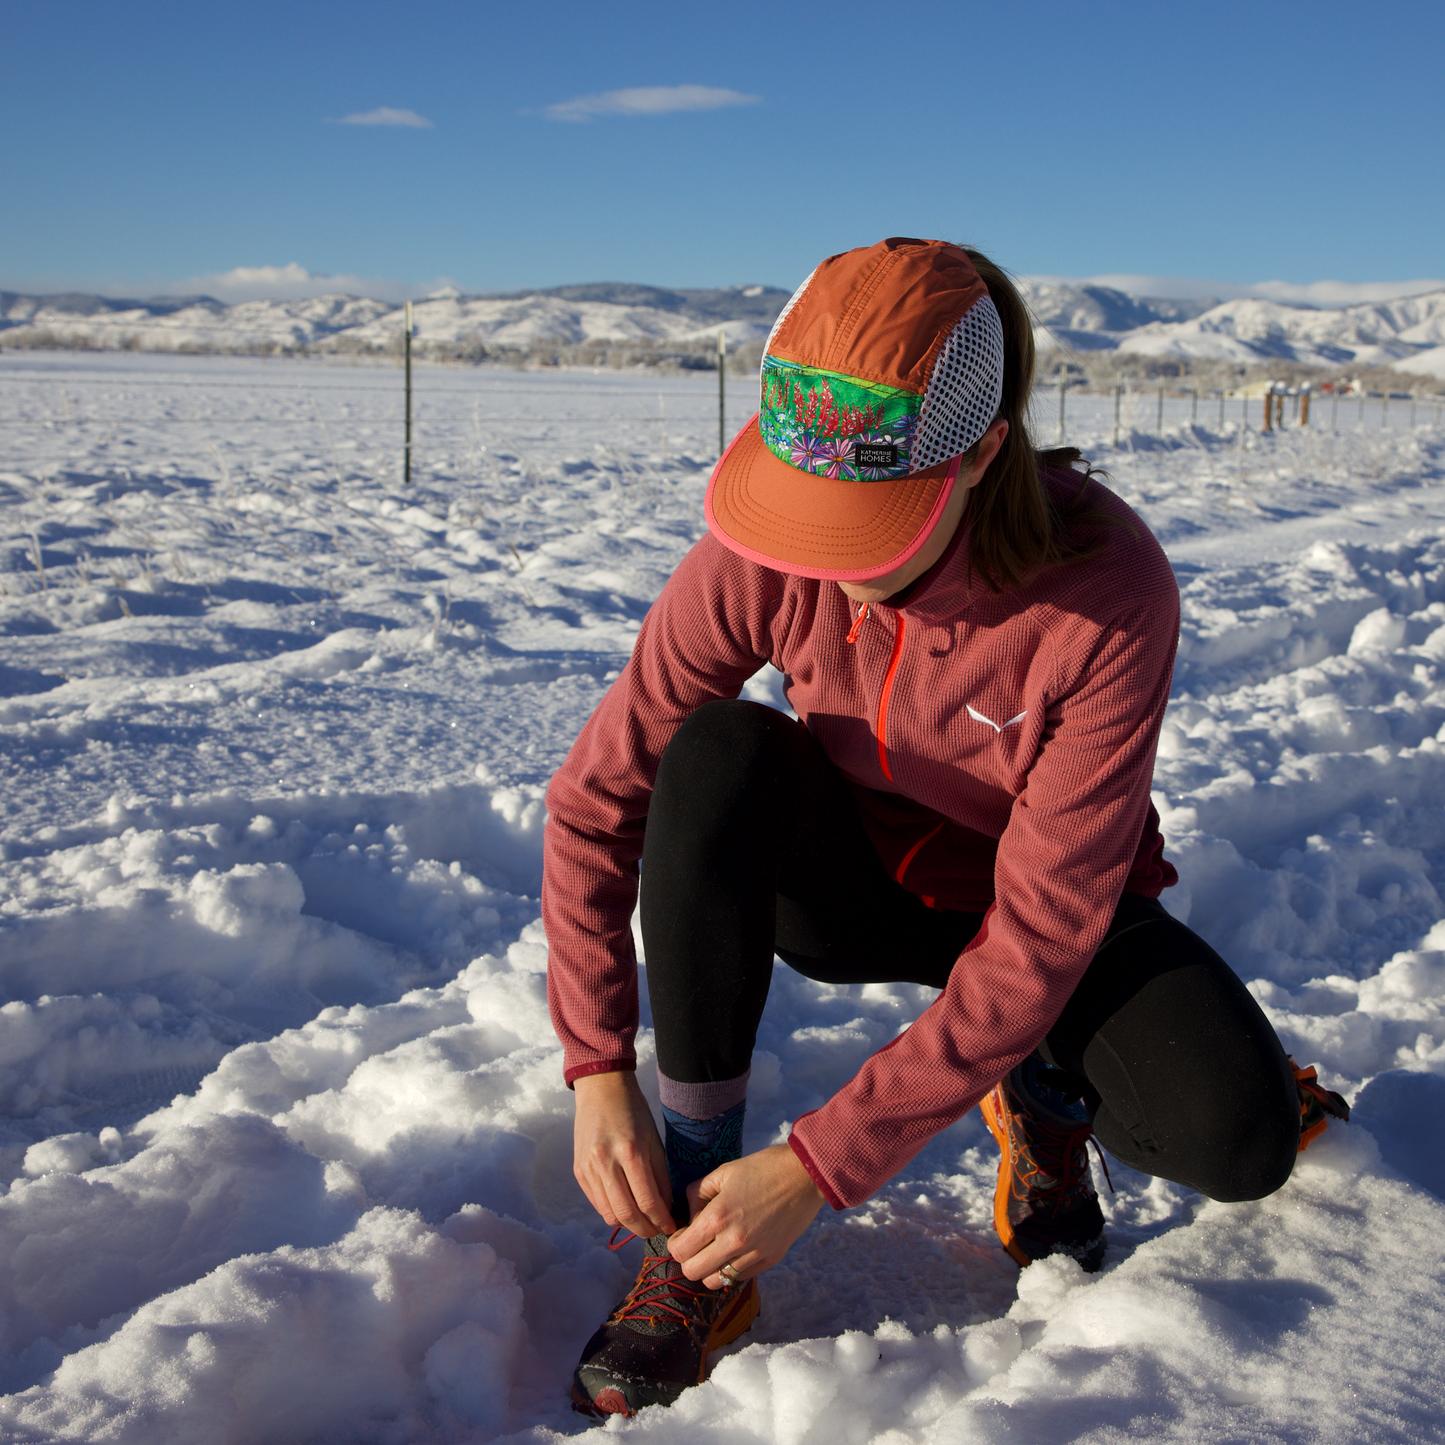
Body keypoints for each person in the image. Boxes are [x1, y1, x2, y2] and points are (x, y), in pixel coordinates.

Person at [543, 238, 1338, 1419]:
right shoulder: (761, 558)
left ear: (978, 455)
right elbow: (596, 796)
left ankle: (1044, 1101)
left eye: (865, 522)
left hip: (1050, 917)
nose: (820, 555)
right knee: (714, 753)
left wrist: (821, 1165)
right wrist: (598, 1065)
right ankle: (702, 1234)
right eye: (807, 512)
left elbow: (1045, 926)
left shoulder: (1106, 591)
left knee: (1239, 1140)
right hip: (855, 885)